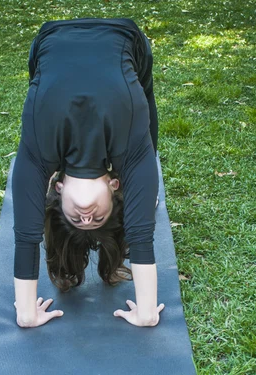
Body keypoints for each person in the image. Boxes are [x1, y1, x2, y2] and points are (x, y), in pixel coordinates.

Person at [12, 17, 165, 328]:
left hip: (50, 38)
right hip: (126, 36)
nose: (85, 216)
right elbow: (140, 234)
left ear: (56, 190)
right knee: (146, 110)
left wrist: (27, 313)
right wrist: (145, 187)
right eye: (97, 219)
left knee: (39, 80)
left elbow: (26, 236)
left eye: (76, 220)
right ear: (114, 187)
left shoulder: (39, 154)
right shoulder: (132, 155)